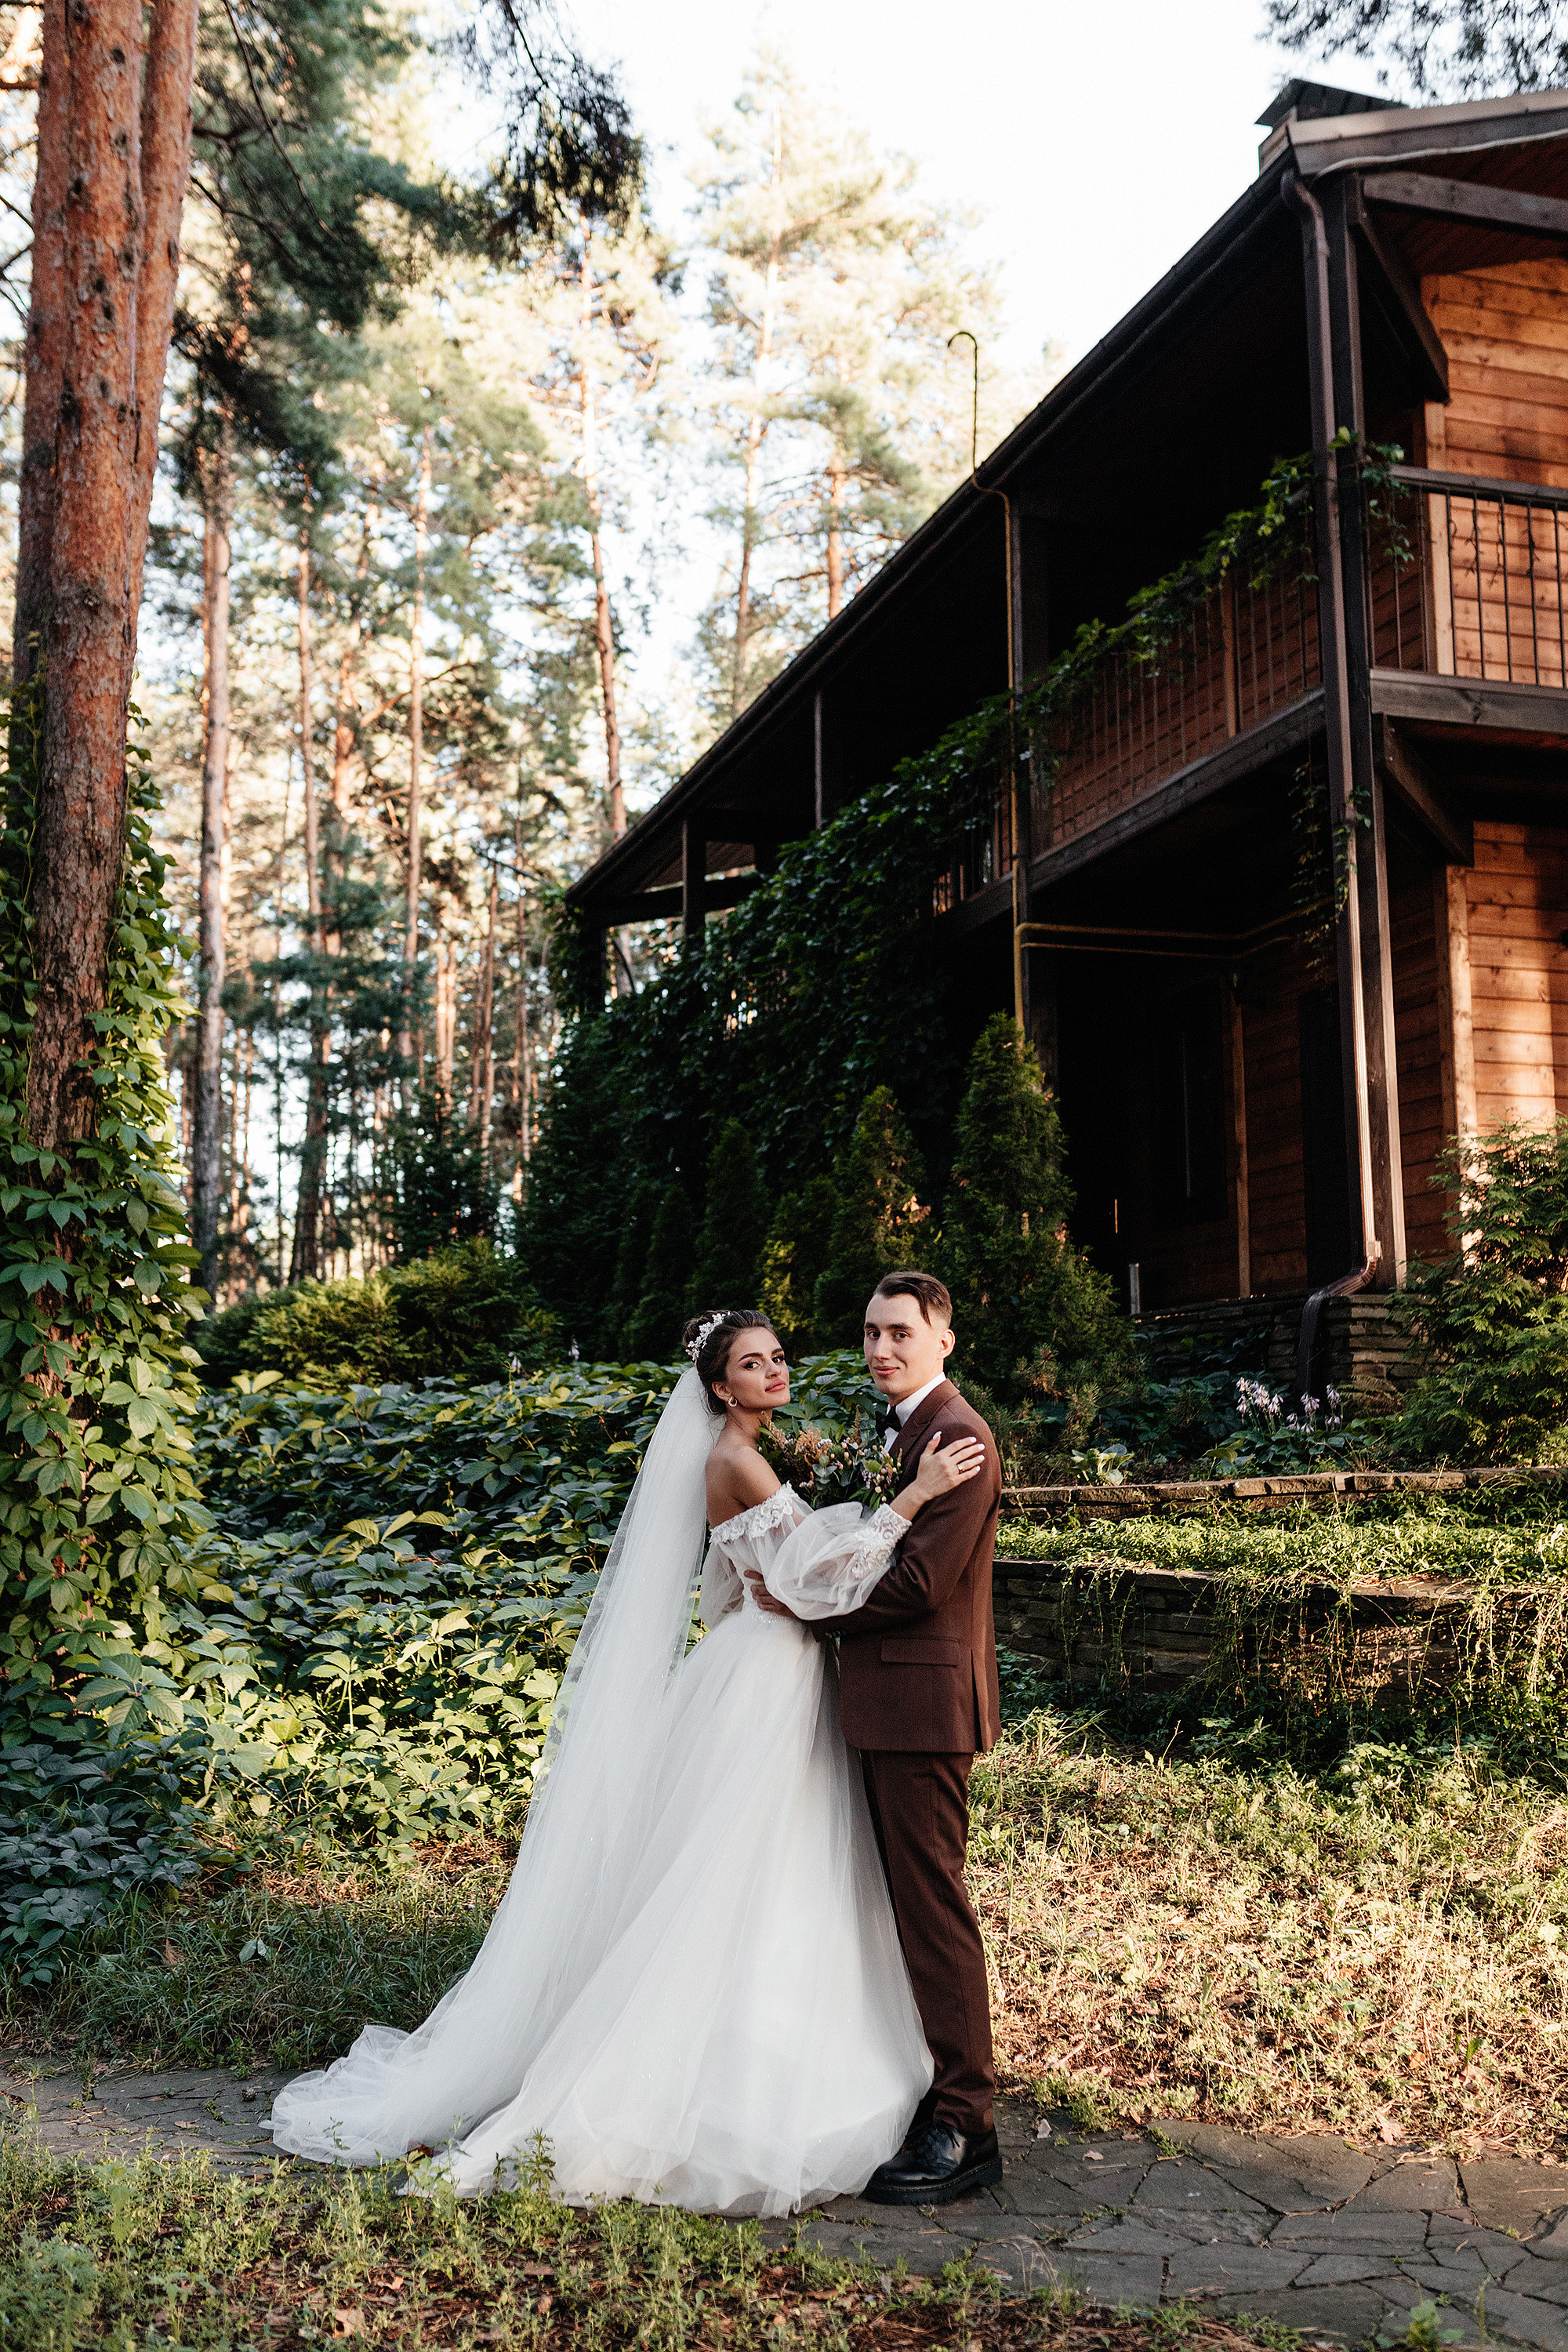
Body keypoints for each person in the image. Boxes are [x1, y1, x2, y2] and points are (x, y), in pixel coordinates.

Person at [267, 1306, 986, 2217]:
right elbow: (808, 1583)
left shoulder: (752, 1455)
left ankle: (803, 2054)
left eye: (778, 1357)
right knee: (736, 1875)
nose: (774, 1372)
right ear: (718, 1386)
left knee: (782, 1872)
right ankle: (720, 2085)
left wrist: (803, 1554)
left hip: (764, 1667)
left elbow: (738, 1582)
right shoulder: (731, 1459)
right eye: (752, 1364)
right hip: (769, 1676)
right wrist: (906, 1499)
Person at [750, 1271, 1004, 2206]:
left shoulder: (960, 1437)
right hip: (879, 1701)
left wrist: (805, 1612)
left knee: (929, 1909)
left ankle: (965, 2123)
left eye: (899, 1332)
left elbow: (917, 1588)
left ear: (944, 1338)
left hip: (921, 1707)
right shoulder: (900, 1434)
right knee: (877, 1907)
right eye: (868, 1333)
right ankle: (907, 2087)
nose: (880, 1349)